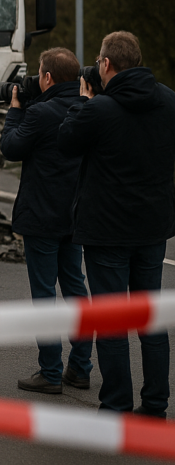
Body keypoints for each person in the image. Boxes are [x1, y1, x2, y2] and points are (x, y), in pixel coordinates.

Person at [58, 31, 175, 418]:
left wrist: (82, 101)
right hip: (153, 228)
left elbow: (66, 142)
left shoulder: (100, 109)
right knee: (150, 320)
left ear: (106, 64)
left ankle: (116, 407)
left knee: (111, 321)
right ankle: (155, 406)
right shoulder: (169, 101)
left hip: (107, 231)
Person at [0, 47, 93, 394]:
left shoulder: (40, 112)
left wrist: (15, 109)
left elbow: (10, 147)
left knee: (44, 293)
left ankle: (51, 371)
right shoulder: (86, 109)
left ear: (48, 77)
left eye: (39, 72)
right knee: (75, 288)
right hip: (74, 215)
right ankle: (80, 368)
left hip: (41, 216)